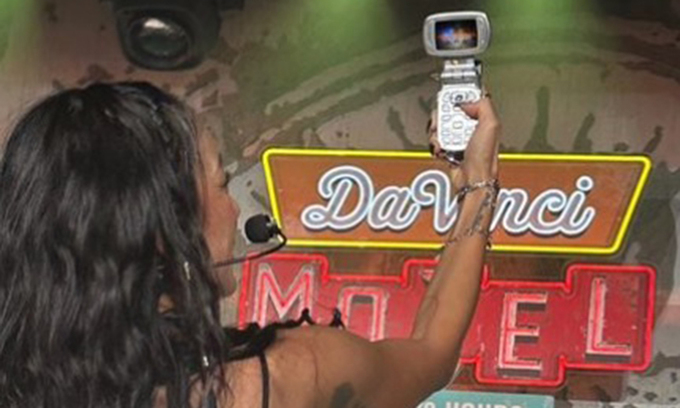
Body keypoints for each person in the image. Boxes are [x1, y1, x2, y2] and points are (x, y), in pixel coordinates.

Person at [0, 82, 500, 408]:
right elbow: (431, 352)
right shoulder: (290, 375)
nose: (234, 208)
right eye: (221, 183)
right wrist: (478, 184)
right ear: (165, 230)